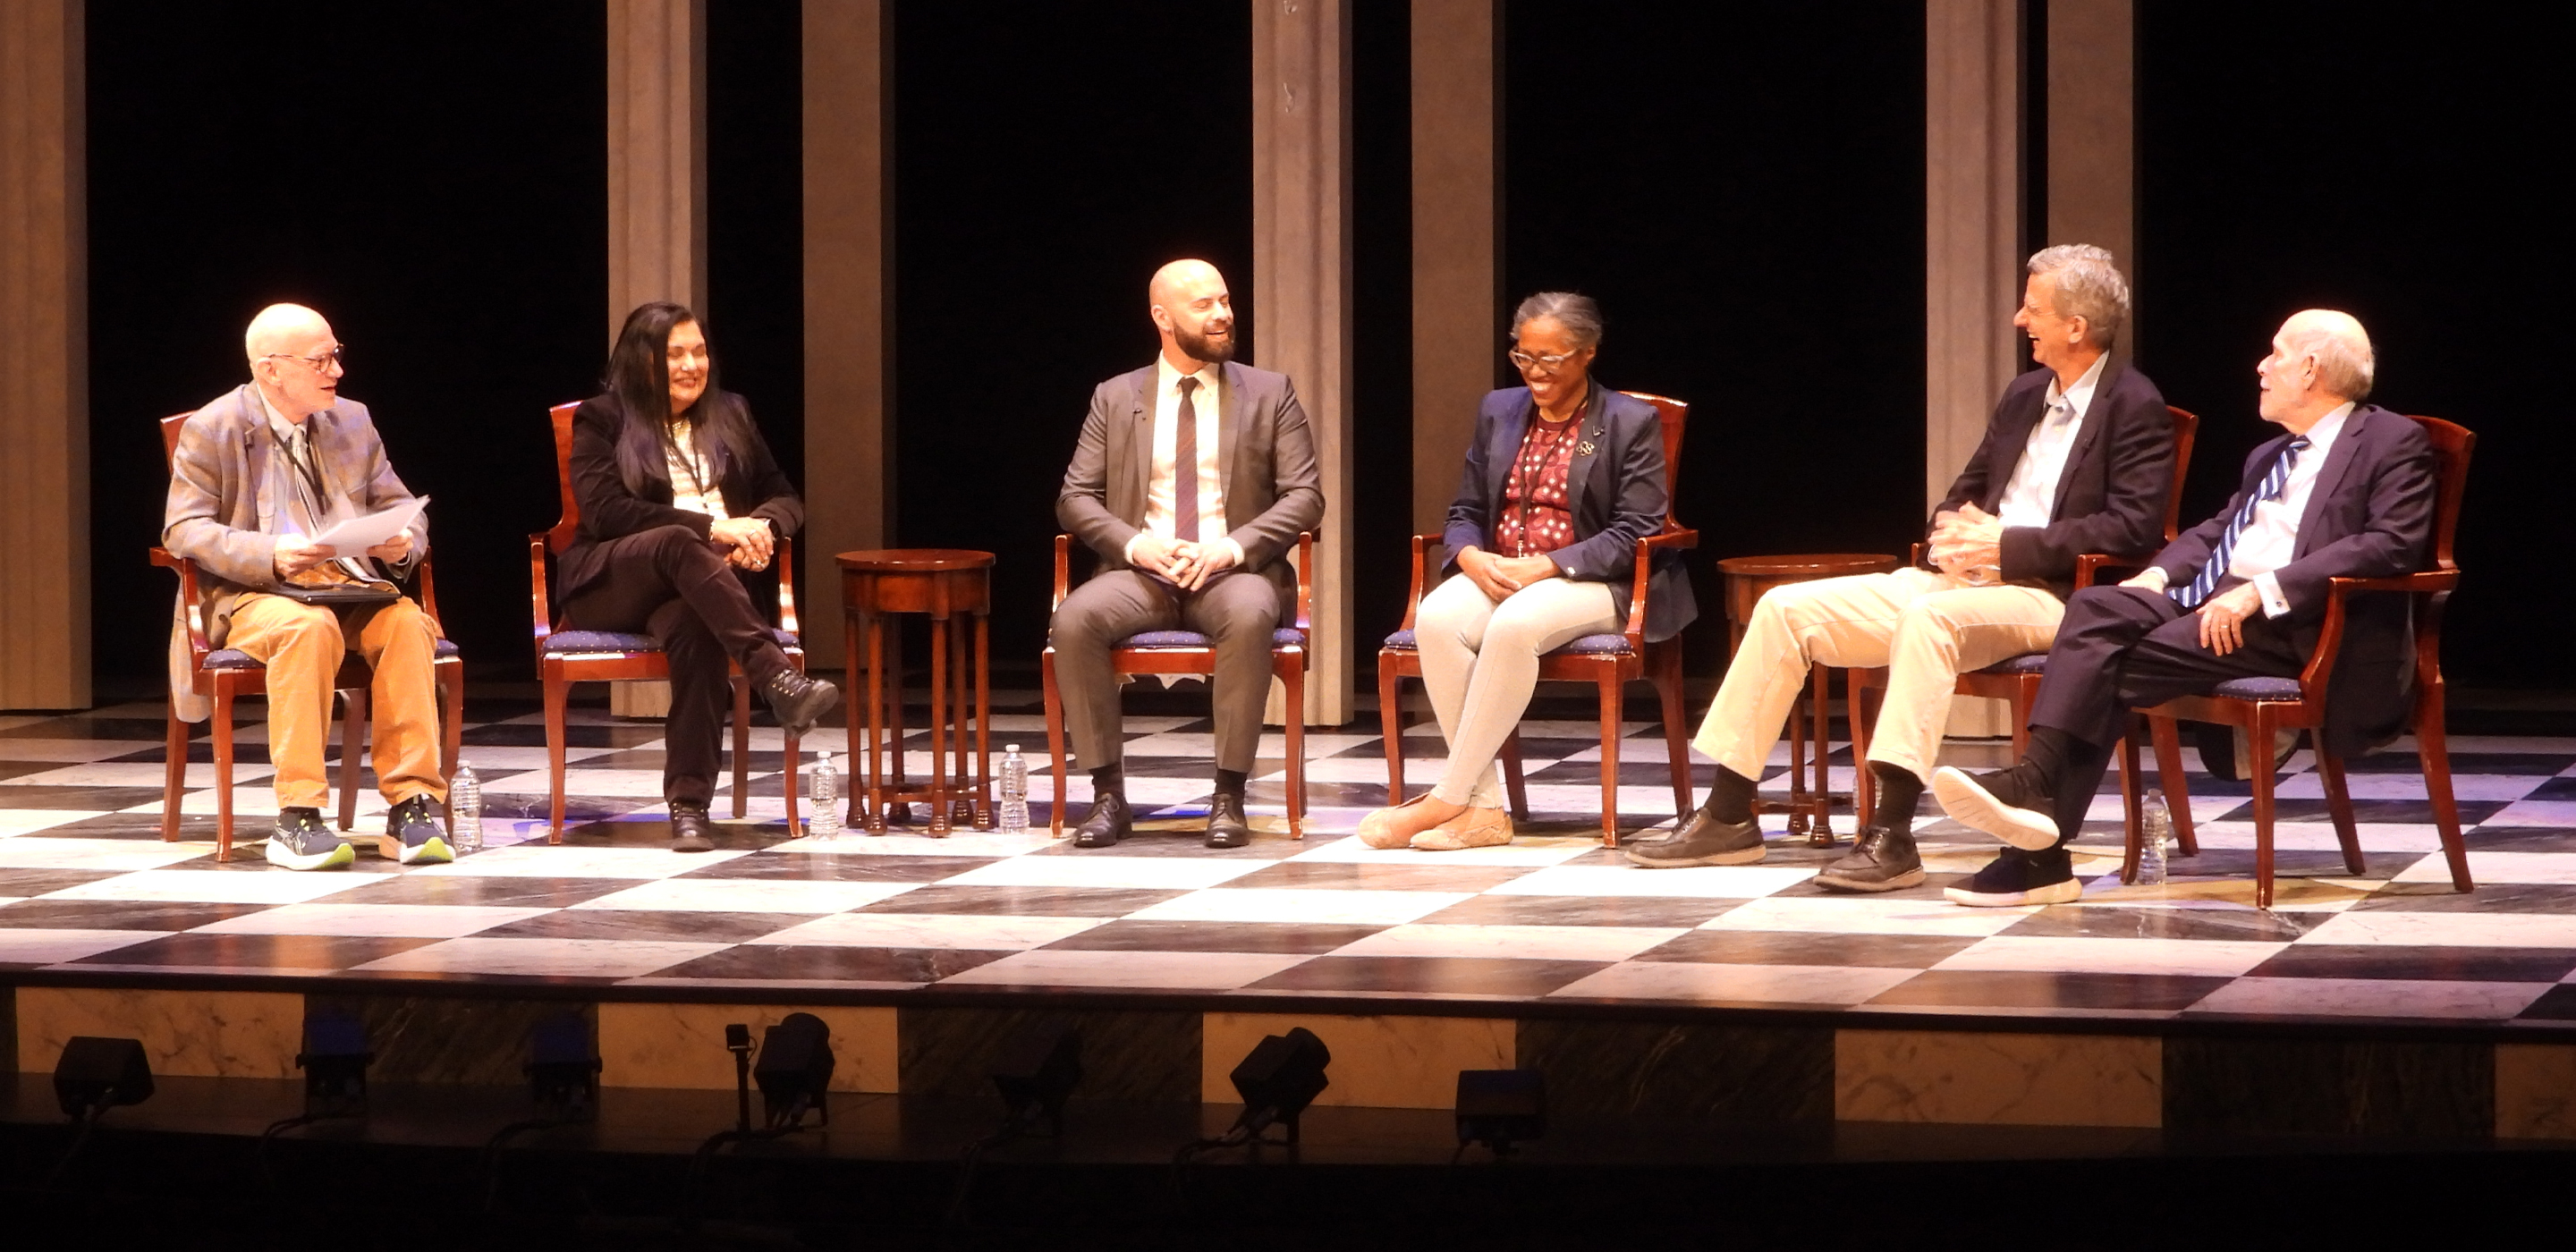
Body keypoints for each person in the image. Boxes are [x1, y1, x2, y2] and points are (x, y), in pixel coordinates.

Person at [1633, 245, 2173, 887]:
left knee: (1928, 619)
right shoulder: (2025, 393)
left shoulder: (2133, 404)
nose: (2018, 319)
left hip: (2052, 595)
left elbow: (2132, 528)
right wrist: (1950, 535)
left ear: (2076, 326)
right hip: (1961, 578)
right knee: (1784, 609)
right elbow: (1964, 491)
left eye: (2033, 308)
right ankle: (1727, 815)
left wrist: (2008, 544)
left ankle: (1891, 835)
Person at [1931, 309, 2431, 906]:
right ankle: (2035, 809)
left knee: (2101, 666)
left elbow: (2390, 543)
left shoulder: (2392, 440)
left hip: (2298, 624)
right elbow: (2219, 528)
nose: (2261, 367)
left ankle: (2037, 839)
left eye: (2275, 354)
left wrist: (2261, 590)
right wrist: (2157, 574)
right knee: (2095, 607)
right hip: (2213, 606)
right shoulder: (2271, 455)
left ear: (2311, 369)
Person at [1354, 292, 1695, 851]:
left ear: (1587, 352)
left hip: (1595, 582)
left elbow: (1637, 529)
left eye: (1549, 359)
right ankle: (1484, 810)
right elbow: (1465, 510)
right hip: (1503, 573)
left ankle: (1446, 797)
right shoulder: (1500, 410)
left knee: (1513, 625)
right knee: (1436, 617)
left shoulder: (1629, 422)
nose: (1534, 372)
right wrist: (1470, 556)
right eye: (1524, 357)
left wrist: (1550, 564)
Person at [164, 303, 450, 869]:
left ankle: (410, 807)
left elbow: (401, 506)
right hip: (255, 595)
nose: (336, 371)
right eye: (320, 360)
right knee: (307, 628)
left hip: (347, 586)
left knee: (408, 624)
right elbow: (183, 529)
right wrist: (270, 553)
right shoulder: (214, 427)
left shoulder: (353, 420)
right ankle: (297, 815)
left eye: (335, 356)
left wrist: (401, 542)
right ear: (271, 369)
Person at [1054, 259, 1326, 850]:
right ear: (1162, 317)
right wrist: (1137, 545)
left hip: (1232, 573)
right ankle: (1108, 796)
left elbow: (1306, 497)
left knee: (1250, 613)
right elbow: (1074, 498)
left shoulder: (1269, 392)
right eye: (1203, 305)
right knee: (1073, 620)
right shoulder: (1115, 396)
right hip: (1143, 573)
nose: (1222, 314)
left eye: (1224, 301)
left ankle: (1228, 795)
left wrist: (1231, 548)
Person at [557, 302, 839, 853]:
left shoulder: (731, 412)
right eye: (676, 355)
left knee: (696, 626)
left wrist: (760, 528)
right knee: (679, 540)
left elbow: (784, 496)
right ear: (642, 361)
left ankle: (689, 807)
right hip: (612, 581)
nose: (692, 365)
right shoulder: (602, 417)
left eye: (699, 352)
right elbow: (607, 512)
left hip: (703, 588)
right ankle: (776, 677)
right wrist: (714, 527)